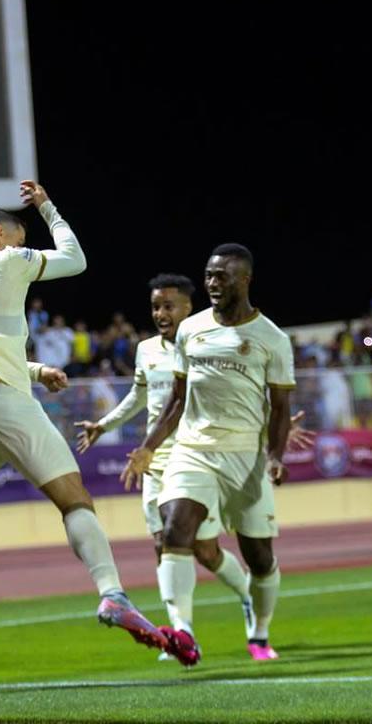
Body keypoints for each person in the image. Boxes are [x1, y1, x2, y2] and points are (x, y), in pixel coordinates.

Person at [0, 181, 179, 700]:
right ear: (0, 235)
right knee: (73, 500)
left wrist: (34, 368)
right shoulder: (7, 259)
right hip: (3, 399)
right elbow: (75, 259)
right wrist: (46, 206)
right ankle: (111, 593)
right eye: (16, 236)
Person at [78, 274, 314, 659]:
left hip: (205, 452)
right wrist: (106, 426)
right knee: (165, 541)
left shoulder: (208, 339)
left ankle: (247, 600)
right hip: (159, 460)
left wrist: (278, 425)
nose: (161, 314)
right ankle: (181, 634)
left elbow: (238, 395)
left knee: (206, 550)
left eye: (169, 306)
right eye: (156, 306)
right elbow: (140, 397)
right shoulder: (147, 351)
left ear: (190, 307)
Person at [123, 243, 295, 664]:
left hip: (245, 457)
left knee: (259, 556)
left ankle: (258, 633)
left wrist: (274, 455)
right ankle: (182, 635)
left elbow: (280, 409)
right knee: (175, 530)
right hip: (193, 449)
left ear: (246, 280)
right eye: (210, 276)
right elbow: (177, 400)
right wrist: (148, 447)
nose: (214, 283)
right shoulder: (191, 330)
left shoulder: (272, 339)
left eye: (223, 276)